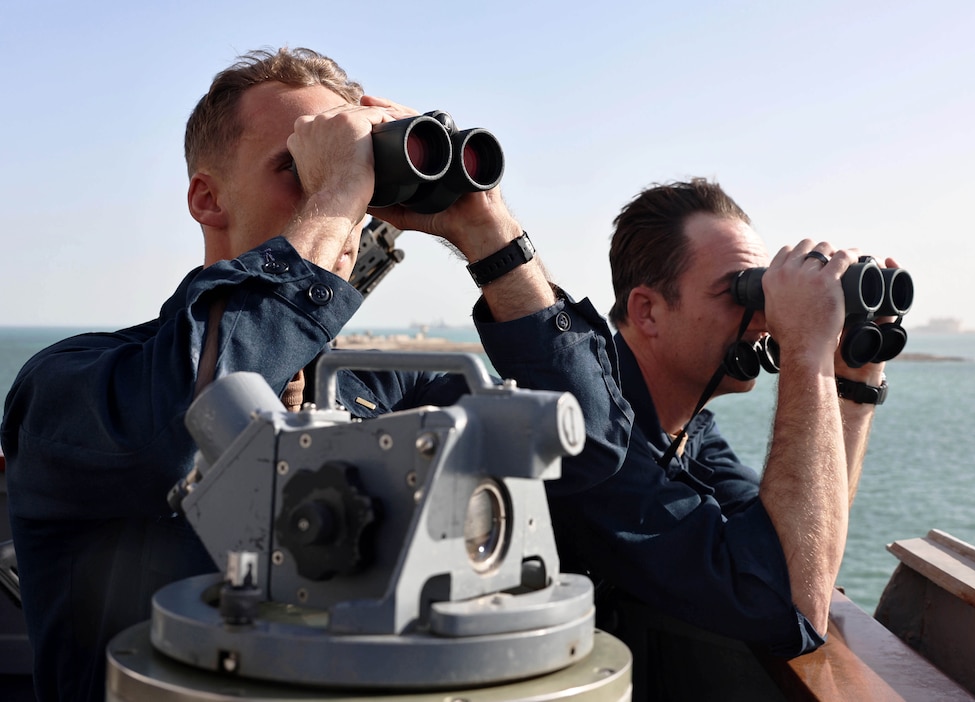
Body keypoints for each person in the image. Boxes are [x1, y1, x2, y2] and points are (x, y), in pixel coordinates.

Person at [0, 47, 629, 702]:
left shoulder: (376, 395)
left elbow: (590, 454)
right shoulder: (71, 389)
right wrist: (332, 197)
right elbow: (182, 427)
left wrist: (484, 225)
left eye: (356, 177)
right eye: (298, 169)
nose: (348, 199)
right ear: (207, 198)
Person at [541, 178, 894, 699]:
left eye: (762, 289)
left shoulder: (691, 432)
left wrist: (855, 380)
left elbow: (801, 554)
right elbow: (793, 606)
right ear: (648, 311)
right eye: (739, 291)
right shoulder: (600, 442)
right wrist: (805, 351)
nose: (764, 317)